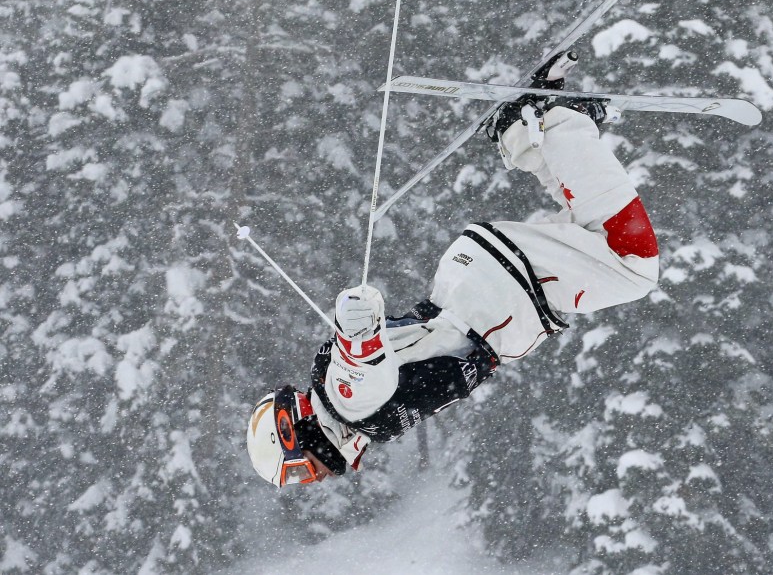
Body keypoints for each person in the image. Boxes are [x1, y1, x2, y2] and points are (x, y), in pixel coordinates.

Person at [246, 51, 660, 487]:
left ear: (294, 432)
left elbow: (359, 368)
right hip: (481, 288)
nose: (320, 475)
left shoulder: (348, 404)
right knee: (595, 231)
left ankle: (553, 122)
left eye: (303, 471)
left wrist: (356, 333)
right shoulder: (351, 407)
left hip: (496, 298)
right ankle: (526, 132)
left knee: (630, 266)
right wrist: (355, 341)